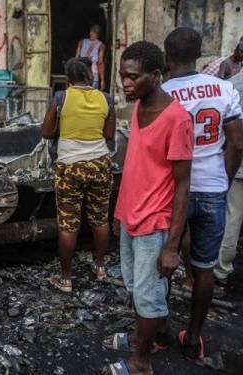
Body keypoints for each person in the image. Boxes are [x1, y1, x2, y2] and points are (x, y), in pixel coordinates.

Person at [103, 41, 193, 375]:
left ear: (156, 75)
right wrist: (119, 211)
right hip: (132, 214)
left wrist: (172, 245)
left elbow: (183, 184)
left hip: (155, 223)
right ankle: (156, 335)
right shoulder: (138, 106)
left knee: (146, 294)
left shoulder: (177, 119)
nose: (125, 83)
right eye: (123, 77)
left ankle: (141, 362)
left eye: (133, 77)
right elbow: (137, 165)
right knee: (138, 287)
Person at [163, 27, 243, 361]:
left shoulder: (163, 93)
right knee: (206, 268)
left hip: (172, 189)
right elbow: (237, 143)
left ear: (166, 57)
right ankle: (194, 337)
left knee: (163, 261)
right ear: (199, 54)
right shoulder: (225, 89)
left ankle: (159, 331)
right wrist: (221, 181)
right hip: (212, 187)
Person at [42, 57, 115, 292]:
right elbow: (110, 133)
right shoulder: (106, 98)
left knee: (68, 224)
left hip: (69, 167)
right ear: (89, 76)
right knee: (100, 219)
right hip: (100, 164)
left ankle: (65, 279)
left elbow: (46, 131)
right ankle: (101, 266)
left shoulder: (61, 97)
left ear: (68, 78)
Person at [214, 70, 243, 288]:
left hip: (237, 164)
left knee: (232, 216)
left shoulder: (230, 86)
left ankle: (221, 270)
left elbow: (233, 141)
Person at [75, 25, 106, 90]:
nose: (91, 34)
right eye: (91, 32)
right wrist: (102, 80)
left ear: (98, 34)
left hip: (80, 73)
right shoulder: (101, 45)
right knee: (92, 96)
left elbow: (76, 58)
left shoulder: (82, 42)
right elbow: (100, 63)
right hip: (93, 74)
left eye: (93, 32)